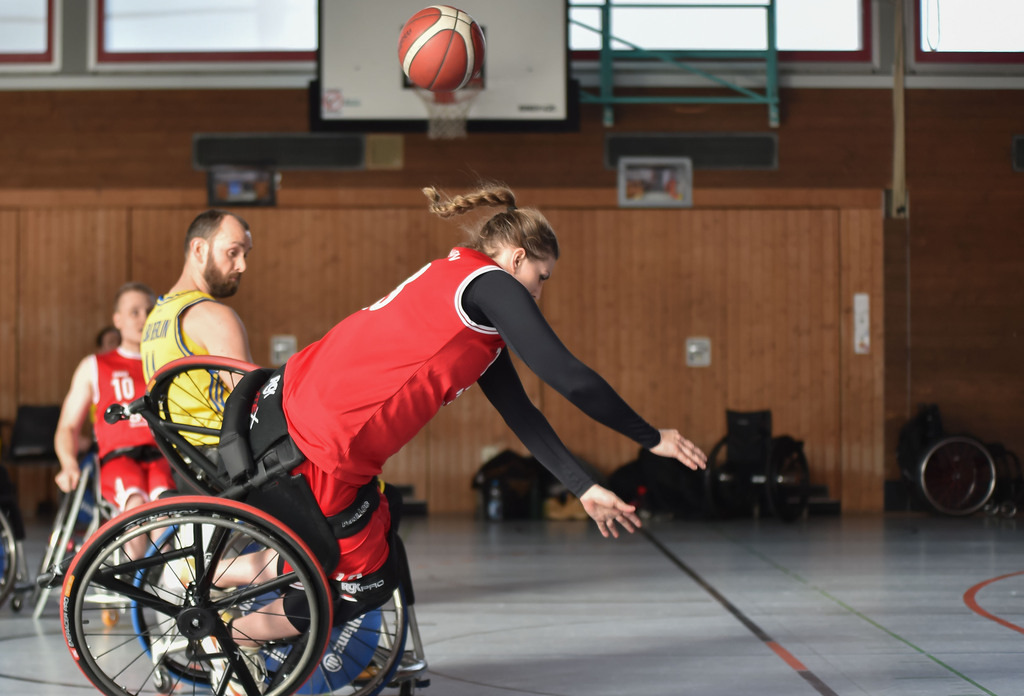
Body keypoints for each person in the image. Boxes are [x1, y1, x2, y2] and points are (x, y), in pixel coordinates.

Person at [215, 182, 707, 669]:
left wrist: (583, 486)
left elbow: (521, 413)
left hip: (285, 404)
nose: (539, 293)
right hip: (321, 444)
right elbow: (568, 376)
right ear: (516, 258)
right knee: (365, 583)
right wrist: (651, 437)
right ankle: (234, 637)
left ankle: (218, 574)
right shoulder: (493, 284)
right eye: (541, 277)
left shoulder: (456, 279)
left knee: (380, 517)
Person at [54, 283, 175, 559]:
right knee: (134, 505)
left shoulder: (166, 364)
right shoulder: (95, 365)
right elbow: (68, 426)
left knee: (165, 512)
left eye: (149, 310)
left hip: (161, 459)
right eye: (134, 312)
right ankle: (135, 577)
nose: (143, 318)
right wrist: (68, 463)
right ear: (117, 320)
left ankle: (168, 579)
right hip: (118, 461)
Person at [140, 209, 253, 433]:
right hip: (224, 448)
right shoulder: (212, 315)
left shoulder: (157, 317)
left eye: (245, 255)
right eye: (233, 252)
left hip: (182, 452)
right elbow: (256, 401)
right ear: (199, 249)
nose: (242, 265)